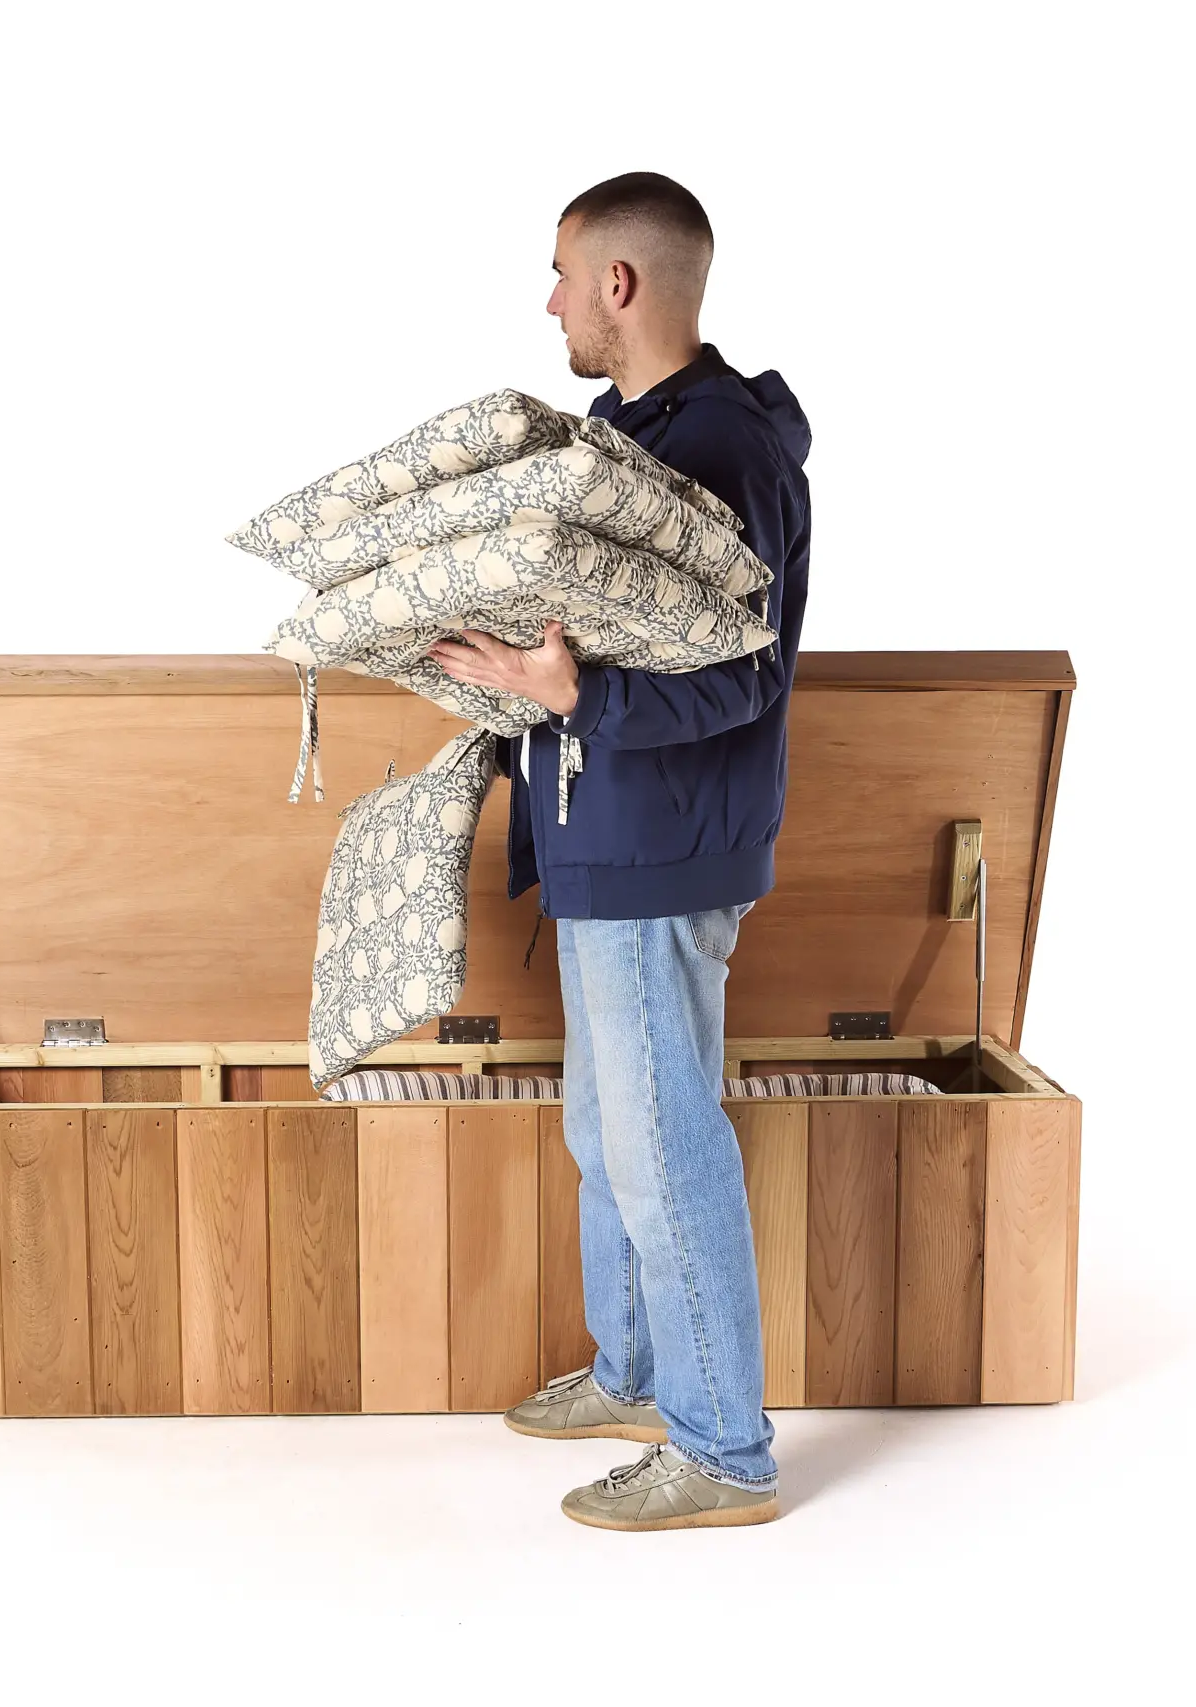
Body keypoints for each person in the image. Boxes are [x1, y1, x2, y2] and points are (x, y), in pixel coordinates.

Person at [427, 172, 812, 1531]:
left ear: (622, 286)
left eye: (561, 273)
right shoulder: (627, 430)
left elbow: (740, 670)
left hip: (661, 850)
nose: (550, 301)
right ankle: (642, 1370)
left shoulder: (721, 447)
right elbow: (597, 644)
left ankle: (722, 1449)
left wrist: (568, 695)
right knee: (610, 1129)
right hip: (611, 840)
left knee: (661, 1144)